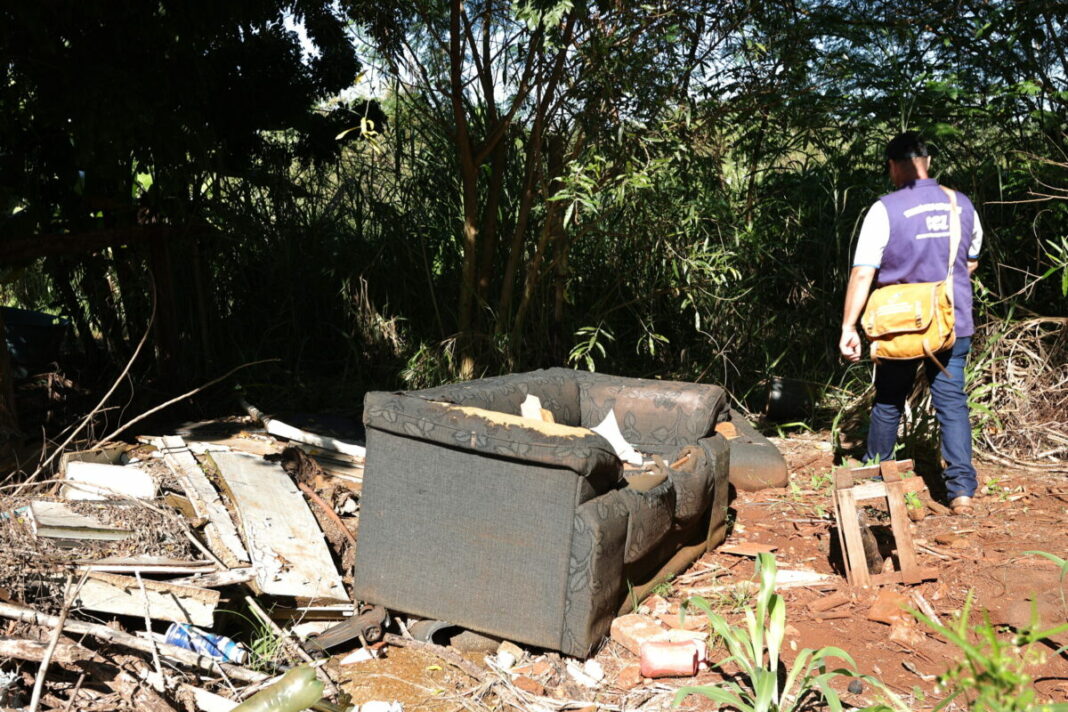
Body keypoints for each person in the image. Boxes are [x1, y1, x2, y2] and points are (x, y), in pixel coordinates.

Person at [839, 132, 983, 515]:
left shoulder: (884, 209)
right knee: (952, 404)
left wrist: (848, 327)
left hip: (899, 322)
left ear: (894, 165)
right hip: (953, 320)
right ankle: (961, 492)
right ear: (928, 161)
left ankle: (875, 478)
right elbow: (970, 261)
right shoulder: (961, 204)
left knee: (889, 400)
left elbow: (862, 274)